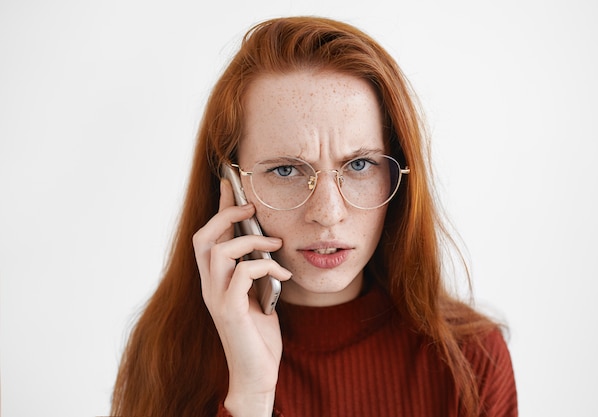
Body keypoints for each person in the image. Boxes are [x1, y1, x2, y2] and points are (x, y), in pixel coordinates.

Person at [110, 16, 517, 417]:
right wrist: (251, 396)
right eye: (286, 170)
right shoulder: (167, 353)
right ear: (231, 183)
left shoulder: (472, 358)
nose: (328, 213)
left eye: (359, 166)